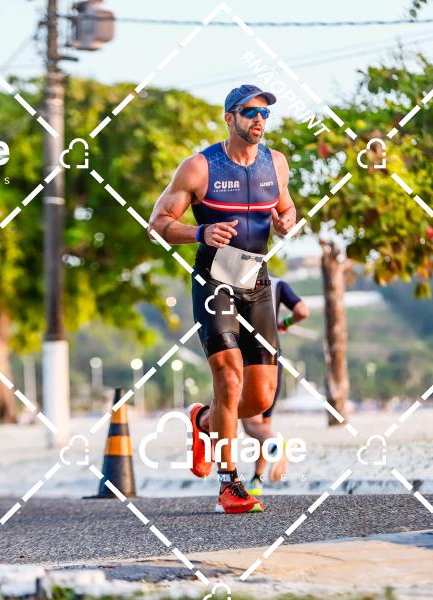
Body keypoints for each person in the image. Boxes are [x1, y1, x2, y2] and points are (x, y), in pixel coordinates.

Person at [148, 84, 298, 513]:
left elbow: (287, 208)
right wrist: (200, 231)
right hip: (214, 279)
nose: (259, 120)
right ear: (229, 118)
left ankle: (202, 420)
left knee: (260, 398)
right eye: (250, 112)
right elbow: (157, 224)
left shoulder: (276, 163)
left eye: (265, 113)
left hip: (256, 281)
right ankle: (229, 483)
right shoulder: (199, 167)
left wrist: (286, 221)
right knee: (229, 380)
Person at [242, 276, 308, 496]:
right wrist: (284, 324)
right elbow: (302, 311)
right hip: (273, 358)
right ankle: (257, 480)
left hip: (248, 357)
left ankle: (276, 446)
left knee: (251, 425)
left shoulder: (236, 280)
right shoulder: (278, 284)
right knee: (264, 424)